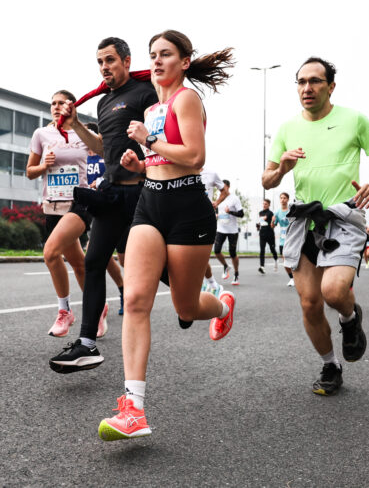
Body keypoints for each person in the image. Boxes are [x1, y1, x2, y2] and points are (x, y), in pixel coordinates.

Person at [98, 29, 235, 441]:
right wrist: (143, 164)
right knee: (136, 299)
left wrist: (149, 140)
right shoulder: (155, 107)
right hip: (150, 202)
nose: (157, 61)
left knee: (187, 307)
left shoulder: (186, 98)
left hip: (186, 208)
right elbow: (163, 158)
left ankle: (223, 306)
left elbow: (194, 157)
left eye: (166, 55)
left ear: (184, 62)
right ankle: (133, 409)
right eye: (153, 55)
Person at [262, 56, 369, 396]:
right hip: (304, 220)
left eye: (315, 81)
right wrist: (283, 169)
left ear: (330, 86)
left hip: (343, 217)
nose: (307, 88)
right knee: (309, 302)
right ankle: (330, 364)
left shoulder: (354, 120)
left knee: (334, 292)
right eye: (301, 82)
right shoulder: (286, 129)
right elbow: (266, 180)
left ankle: (350, 319)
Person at [48, 37, 158, 374]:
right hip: (112, 195)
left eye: (110, 60)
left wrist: (145, 155)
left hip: (142, 194)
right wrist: (78, 125)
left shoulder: (145, 93)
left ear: (126, 60)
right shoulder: (103, 102)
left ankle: (199, 297)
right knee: (94, 262)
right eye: (100, 62)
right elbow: (102, 148)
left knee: (160, 272)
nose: (104, 68)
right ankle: (86, 344)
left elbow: (160, 137)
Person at [27, 90, 107, 339]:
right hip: (53, 205)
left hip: (79, 202)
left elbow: (103, 150)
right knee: (79, 264)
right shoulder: (42, 134)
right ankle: (99, 310)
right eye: (52, 103)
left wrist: (78, 125)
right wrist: (44, 165)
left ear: (71, 106)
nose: (56, 106)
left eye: (61, 102)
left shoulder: (80, 132)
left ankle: (65, 312)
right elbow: (30, 171)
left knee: (50, 253)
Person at [85, 121, 126, 315]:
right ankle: (122, 290)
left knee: (125, 259)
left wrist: (100, 183)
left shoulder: (106, 155)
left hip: (117, 207)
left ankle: (129, 291)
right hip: (97, 211)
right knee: (97, 254)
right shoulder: (82, 159)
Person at [201, 168, 227, 294]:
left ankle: (213, 284)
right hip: (186, 217)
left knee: (200, 255)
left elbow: (224, 191)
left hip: (205, 217)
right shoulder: (183, 171)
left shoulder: (211, 174)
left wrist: (216, 202)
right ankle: (206, 283)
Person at [213, 180, 244, 285]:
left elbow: (241, 214)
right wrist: (216, 214)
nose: (222, 189)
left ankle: (236, 274)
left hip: (232, 230)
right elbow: (217, 209)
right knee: (216, 251)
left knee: (232, 253)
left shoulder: (234, 199)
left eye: (224, 187)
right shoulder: (219, 198)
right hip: (220, 229)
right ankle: (226, 266)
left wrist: (229, 212)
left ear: (229, 187)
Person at [273, 192, 294, 286]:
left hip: (292, 238)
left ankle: (298, 277)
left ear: (288, 199)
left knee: (294, 259)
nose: (283, 200)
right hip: (282, 240)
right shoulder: (277, 212)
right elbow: (272, 226)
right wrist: (273, 221)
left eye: (284, 198)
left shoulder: (292, 210)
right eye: (281, 198)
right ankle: (292, 278)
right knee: (285, 261)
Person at [257, 199, 278, 274]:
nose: (264, 205)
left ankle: (276, 260)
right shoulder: (260, 212)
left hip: (270, 234)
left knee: (272, 249)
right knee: (262, 250)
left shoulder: (270, 213)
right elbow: (260, 222)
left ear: (269, 205)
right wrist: (258, 226)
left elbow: (265, 218)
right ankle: (262, 267)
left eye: (266, 204)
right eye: (263, 204)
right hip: (262, 234)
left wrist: (261, 220)